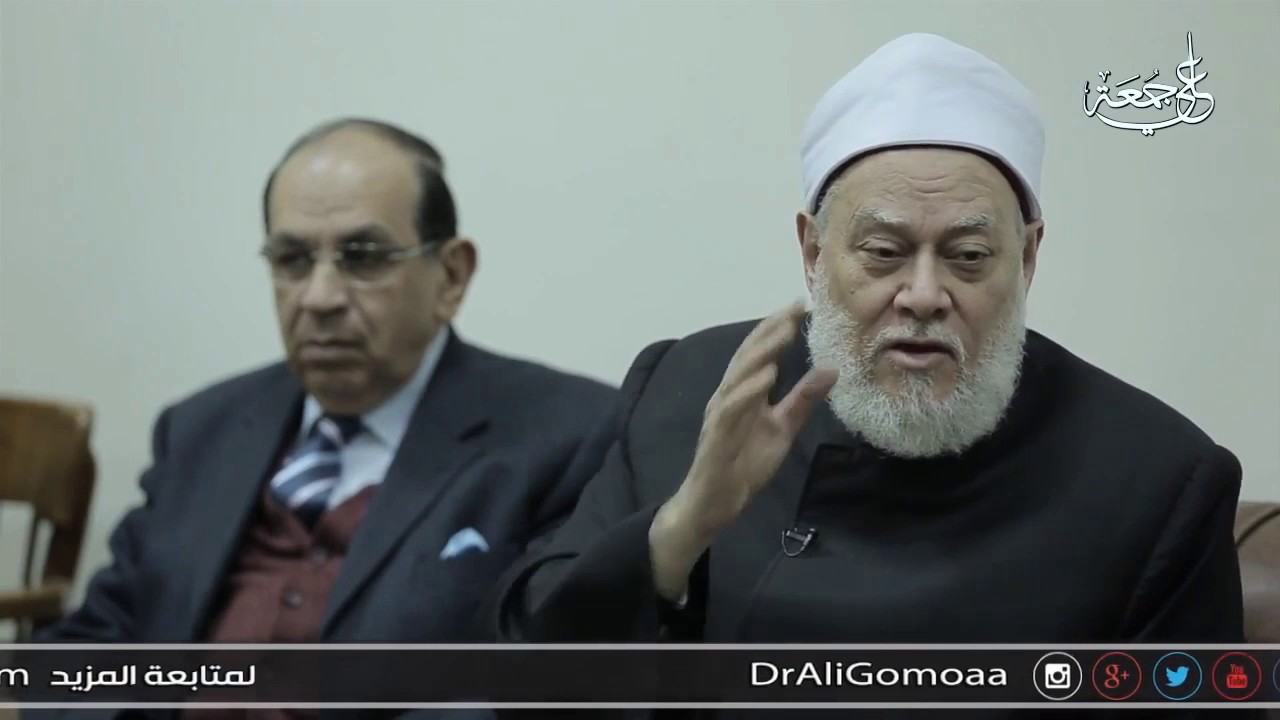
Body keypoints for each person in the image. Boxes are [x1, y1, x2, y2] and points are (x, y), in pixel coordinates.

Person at [490, 34, 1249, 718]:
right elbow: (526, 683)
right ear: (813, 252)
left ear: (1027, 258)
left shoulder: (1156, 481)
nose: (923, 295)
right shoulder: (692, 388)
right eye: (884, 253)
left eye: (968, 257)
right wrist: (681, 530)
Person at [35, 118, 617, 709]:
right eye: (292, 259)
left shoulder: (567, 435)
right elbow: (94, 647)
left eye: (363, 257)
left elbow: (545, 689)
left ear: (450, 276)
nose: (319, 298)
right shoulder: (201, 430)